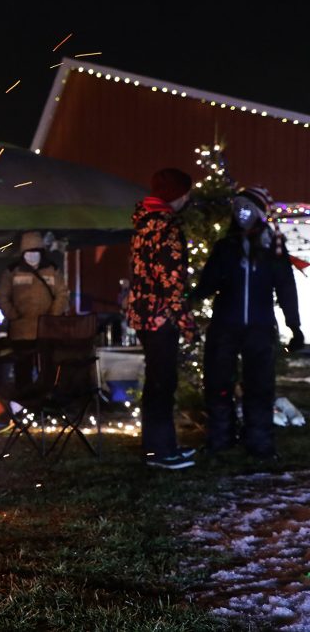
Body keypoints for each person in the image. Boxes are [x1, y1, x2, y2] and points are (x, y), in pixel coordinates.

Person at [192, 186, 302, 459]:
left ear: (259, 213)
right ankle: (220, 439)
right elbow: (208, 284)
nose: (241, 213)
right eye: (238, 207)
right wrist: (188, 296)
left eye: (247, 208)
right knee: (218, 381)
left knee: (260, 385)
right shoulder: (225, 247)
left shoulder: (273, 250)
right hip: (225, 327)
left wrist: (294, 325)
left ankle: (260, 443)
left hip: (259, 328)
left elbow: (286, 288)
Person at [125, 168, 199, 470]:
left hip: (144, 316)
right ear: (176, 194)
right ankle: (161, 451)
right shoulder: (166, 228)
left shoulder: (143, 224)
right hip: (160, 318)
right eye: (186, 193)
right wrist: (186, 323)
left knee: (156, 383)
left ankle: (159, 446)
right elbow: (171, 282)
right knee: (162, 383)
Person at [0, 231, 69, 392]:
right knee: (23, 369)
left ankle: (44, 397)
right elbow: (1, 296)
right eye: (29, 252)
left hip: (46, 330)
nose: (32, 256)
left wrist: (52, 316)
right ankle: (26, 400)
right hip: (22, 331)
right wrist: (13, 315)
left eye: (36, 252)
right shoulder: (13, 271)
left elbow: (62, 294)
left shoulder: (52, 270)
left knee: (47, 367)